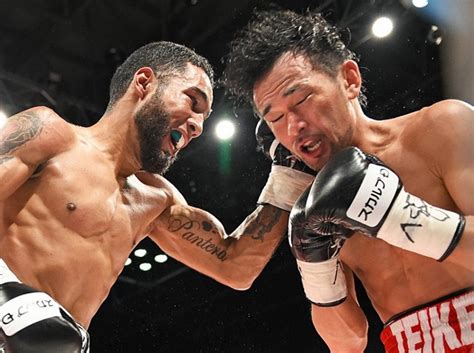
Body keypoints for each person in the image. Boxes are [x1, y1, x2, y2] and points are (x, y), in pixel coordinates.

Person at [0, 41, 315, 353]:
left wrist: (288, 175)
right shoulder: (50, 135)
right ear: (144, 83)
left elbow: (235, 266)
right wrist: (6, 298)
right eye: (193, 102)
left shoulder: (156, 200)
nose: (197, 126)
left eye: (204, 118)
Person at [221, 9, 474, 353]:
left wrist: (398, 215)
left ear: (350, 79)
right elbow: (348, 344)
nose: (293, 126)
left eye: (301, 99)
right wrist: (316, 268)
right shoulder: (318, 208)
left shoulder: (440, 128)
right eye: (276, 118)